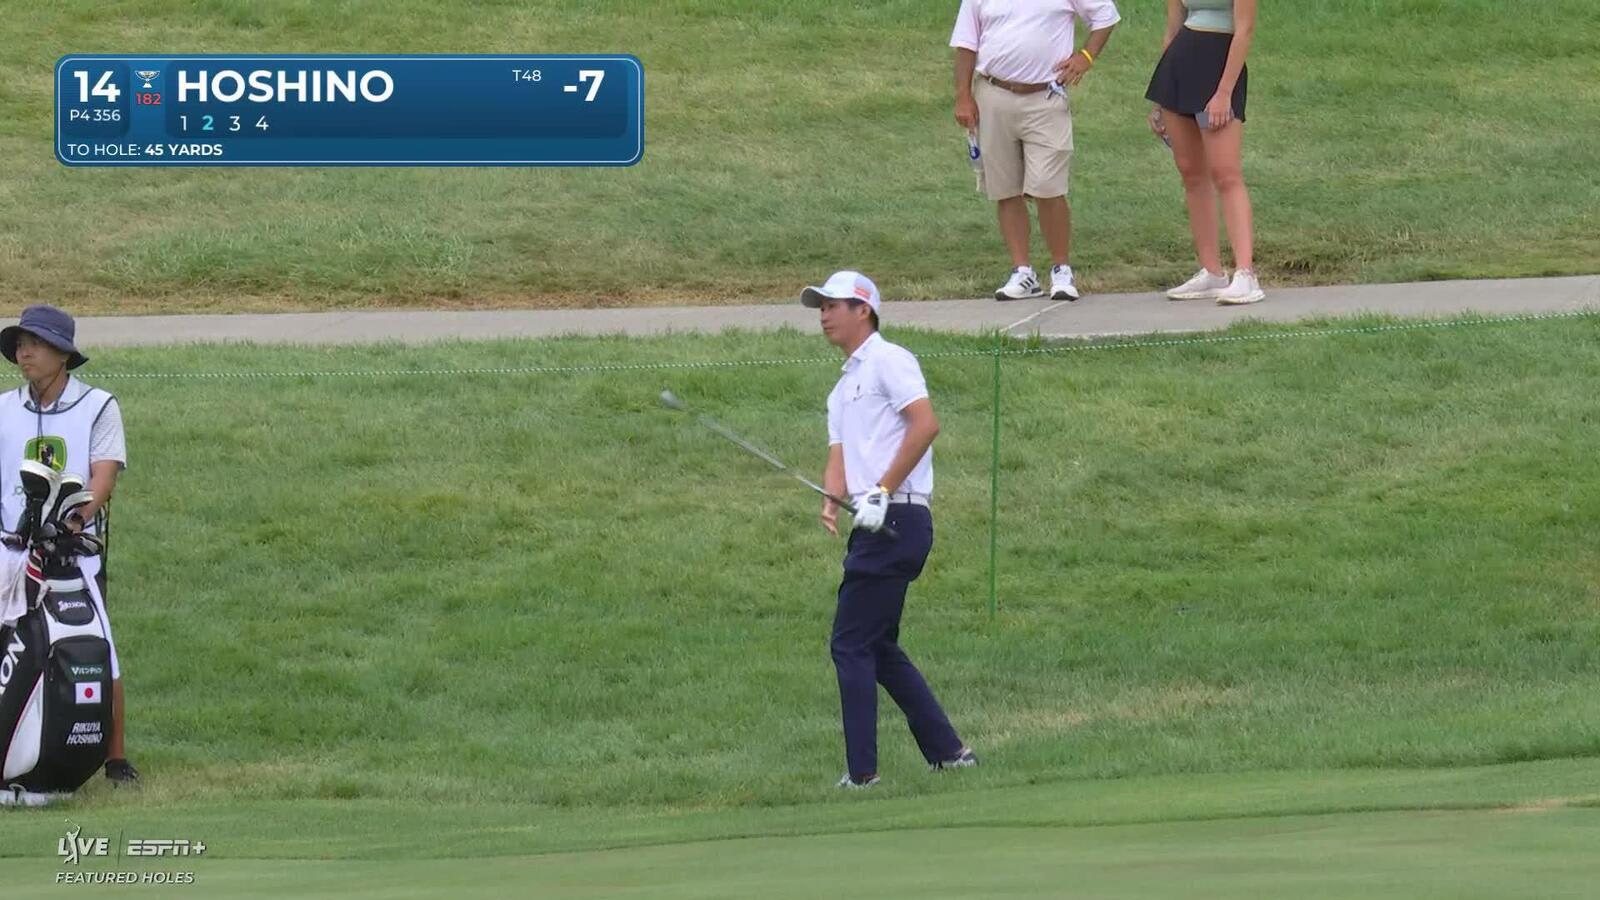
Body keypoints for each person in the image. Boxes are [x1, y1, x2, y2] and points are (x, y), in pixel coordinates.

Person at [801, 270, 977, 788]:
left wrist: (880, 487)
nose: (824, 314)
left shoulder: (890, 359)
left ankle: (863, 775)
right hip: (873, 521)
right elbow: (839, 455)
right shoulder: (841, 387)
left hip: (898, 515)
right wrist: (835, 497)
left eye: (833, 304)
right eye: (821, 306)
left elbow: (926, 424)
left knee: (849, 644)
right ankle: (949, 752)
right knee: (877, 646)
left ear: (864, 311)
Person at [0, 305, 139, 783]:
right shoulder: (2, 407)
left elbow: (103, 478)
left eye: (34, 344)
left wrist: (72, 524)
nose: (24, 352)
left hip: (69, 554)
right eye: (20, 344)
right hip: (9, 550)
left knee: (100, 648)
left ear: (62, 354)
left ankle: (116, 759)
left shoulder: (98, 405)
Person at [951, 0, 1123, 302]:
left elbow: (1106, 15)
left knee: (1047, 186)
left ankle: (1061, 269)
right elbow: (966, 42)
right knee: (1005, 188)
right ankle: (1023, 272)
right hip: (992, 93)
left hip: (1045, 95)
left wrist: (1086, 56)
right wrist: (963, 95)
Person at [1145, 0, 1265, 305]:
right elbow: (1172, 31)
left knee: (1226, 174)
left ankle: (1246, 274)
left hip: (1219, 69)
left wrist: (1224, 92)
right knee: (1191, 172)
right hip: (1179, 66)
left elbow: (1244, 30)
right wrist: (1161, 101)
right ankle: (1212, 272)